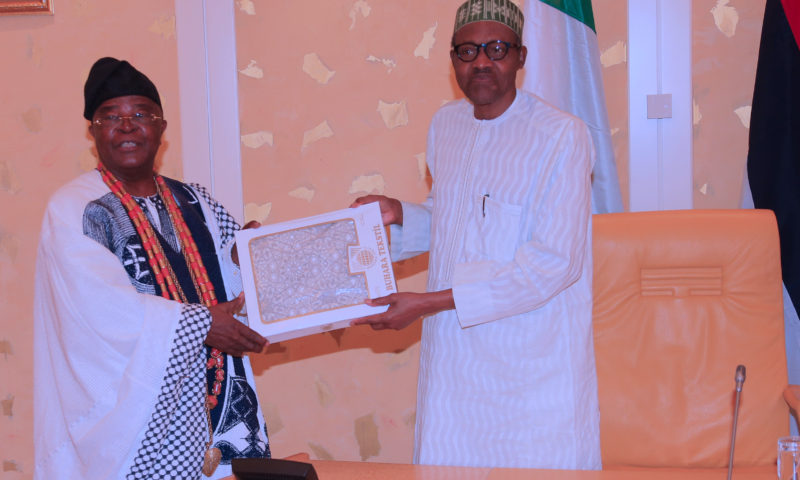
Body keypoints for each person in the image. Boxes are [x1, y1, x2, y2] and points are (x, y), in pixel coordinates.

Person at [352, 0, 601, 470]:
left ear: (521, 57)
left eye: (496, 49)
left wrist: (426, 303)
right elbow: (457, 222)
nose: (482, 62)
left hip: (529, 373)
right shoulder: (445, 125)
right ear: (452, 60)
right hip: (454, 368)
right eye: (467, 51)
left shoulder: (562, 136)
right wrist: (398, 213)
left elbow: (554, 263)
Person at [33, 57, 270, 480]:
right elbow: (97, 309)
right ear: (93, 132)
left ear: (161, 128)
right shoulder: (74, 208)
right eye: (111, 116)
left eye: (140, 114)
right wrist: (200, 325)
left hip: (215, 407)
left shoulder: (197, 202)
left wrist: (254, 255)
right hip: (134, 422)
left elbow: (239, 283)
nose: (127, 126)